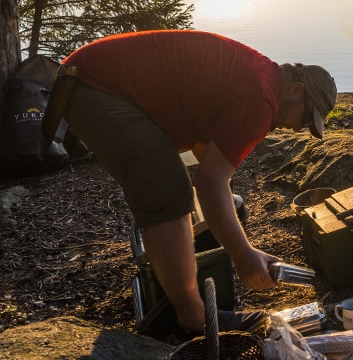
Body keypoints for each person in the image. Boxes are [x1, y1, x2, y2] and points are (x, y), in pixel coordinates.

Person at [56, 30, 337, 340]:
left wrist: (240, 238)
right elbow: (209, 182)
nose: (299, 127)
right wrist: (244, 257)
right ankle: (193, 319)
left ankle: (175, 289)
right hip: (97, 87)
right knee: (170, 192)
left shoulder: (262, 77)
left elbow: (207, 156)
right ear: (296, 89)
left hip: (90, 78)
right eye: (307, 117)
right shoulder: (262, 97)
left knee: (200, 194)